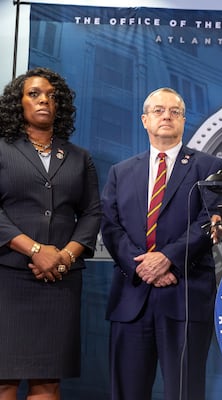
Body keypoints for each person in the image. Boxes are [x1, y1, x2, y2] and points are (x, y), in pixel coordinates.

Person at [101, 87, 222, 400]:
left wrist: (167, 258)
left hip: (184, 293)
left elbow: (209, 218)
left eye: (174, 111)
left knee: (185, 392)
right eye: (158, 110)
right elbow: (110, 226)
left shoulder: (209, 167)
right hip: (132, 298)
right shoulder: (121, 171)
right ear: (145, 120)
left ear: (184, 120)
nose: (166, 116)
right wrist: (142, 266)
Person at [0, 67, 102, 399]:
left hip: (60, 278)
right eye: (34, 94)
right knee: (5, 378)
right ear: (19, 103)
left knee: (48, 380)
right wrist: (34, 250)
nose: (44, 99)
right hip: (8, 276)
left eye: (52, 95)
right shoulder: (2, 149)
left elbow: (92, 212)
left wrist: (65, 255)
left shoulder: (78, 157)